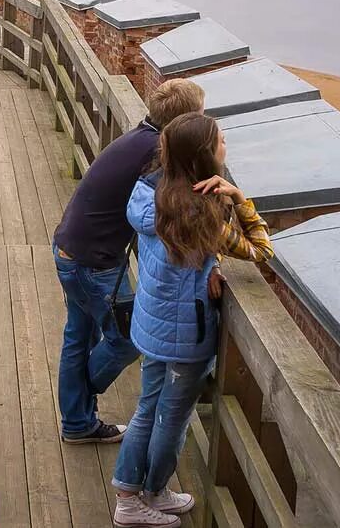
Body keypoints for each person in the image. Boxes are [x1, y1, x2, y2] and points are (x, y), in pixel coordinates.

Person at [110, 112, 272, 527]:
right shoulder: (204, 214)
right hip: (186, 332)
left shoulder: (151, 191)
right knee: (170, 417)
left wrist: (211, 263)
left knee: (149, 409)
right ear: (204, 155)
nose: (225, 147)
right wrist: (238, 198)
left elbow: (178, 255)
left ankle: (138, 492)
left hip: (152, 322)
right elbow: (260, 249)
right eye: (221, 142)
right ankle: (141, 496)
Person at [52, 78, 205, 445]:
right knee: (126, 339)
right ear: (182, 124)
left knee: (79, 335)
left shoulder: (140, 137)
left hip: (70, 249)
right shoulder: (156, 153)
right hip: (95, 264)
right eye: (199, 115)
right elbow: (170, 206)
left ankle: (77, 421)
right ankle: (79, 401)